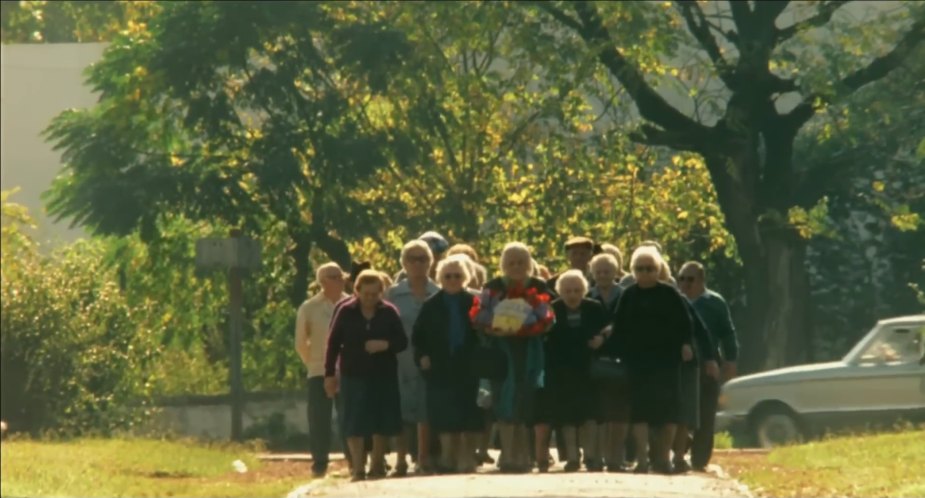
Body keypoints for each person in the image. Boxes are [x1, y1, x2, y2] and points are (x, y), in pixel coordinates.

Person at [471, 242, 554, 473]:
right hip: (500, 352)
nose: (516, 266)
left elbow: (548, 318)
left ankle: (523, 456)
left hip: (529, 352)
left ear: (529, 264)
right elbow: (479, 318)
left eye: (521, 262)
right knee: (503, 400)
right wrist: (493, 328)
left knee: (526, 401)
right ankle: (508, 455)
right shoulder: (492, 287)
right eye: (511, 263)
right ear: (503, 265)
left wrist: (533, 327)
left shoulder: (539, 286)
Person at [612, 246, 694, 475]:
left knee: (668, 411)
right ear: (633, 271)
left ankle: (663, 458)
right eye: (640, 269)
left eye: (650, 268)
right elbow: (619, 326)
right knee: (640, 410)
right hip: (637, 361)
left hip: (666, 361)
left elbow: (685, 323)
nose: (645, 273)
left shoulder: (669, 294)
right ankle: (642, 459)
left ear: (658, 270)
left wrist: (686, 344)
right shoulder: (628, 295)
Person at [324, 270, 408, 482]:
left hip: (383, 374)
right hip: (353, 374)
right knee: (354, 421)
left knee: (381, 419)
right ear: (357, 291)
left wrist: (385, 345)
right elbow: (333, 343)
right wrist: (329, 374)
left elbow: (402, 341)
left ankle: (377, 464)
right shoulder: (345, 311)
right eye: (366, 294)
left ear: (381, 293)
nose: (370, 298)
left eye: (374, 294)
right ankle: (358, 467)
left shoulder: (389, 312)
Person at [412, 256, 484, 474]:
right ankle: (447, 457)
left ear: (465, 277)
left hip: (469, 365)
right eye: (448, 276)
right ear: (440, 278)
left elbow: (485, 332)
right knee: (444, 413)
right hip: (440, 367)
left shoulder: (474, 302)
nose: (453, 280)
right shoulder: (430, 305)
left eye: (457, 276)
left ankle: (467, 458)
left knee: (469, 412)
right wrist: (422, 356)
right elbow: (418, 337)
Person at [534, 270, 608, 472]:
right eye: (567, 291)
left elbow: (607, 328)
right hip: (560, 368)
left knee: (590, 414)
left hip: (588, 367)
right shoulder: (553, 308)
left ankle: (591, 456)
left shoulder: (594, 307)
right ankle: (573, 458)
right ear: (560, 291)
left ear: (584, 290)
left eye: (577, 290)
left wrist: (601, 339)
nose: (572, 295)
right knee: (567, 416)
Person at [658, 261, 719, 473]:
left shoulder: (680, 300)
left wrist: (710, 359)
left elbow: (700, 331)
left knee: (684, 410)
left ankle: (679, 457)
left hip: (682, 363)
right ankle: (657, 456)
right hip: (654, 362)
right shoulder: (634, 297)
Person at [678, 261, 740, 471]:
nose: (685, 284)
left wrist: (731, 360)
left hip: (708, 364)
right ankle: (679, 449)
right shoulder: (676, 301)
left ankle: (699, 460)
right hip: (681, 366)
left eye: (690, 279)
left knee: (705, 413)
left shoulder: (714, 303)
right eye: (681, 279)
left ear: (701, 280)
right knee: (680, 411)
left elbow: (728, 333)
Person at [387, 240, 440, 475]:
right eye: (412, 259)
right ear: (404, 263)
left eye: (423, 259)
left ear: (430, 262)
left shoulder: (438, 293)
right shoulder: (393, 294)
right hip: (399, 359)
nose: (418, 264)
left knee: (426, 409)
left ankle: (423, 458)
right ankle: (401, 459)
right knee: (400, 408)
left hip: (430, 360)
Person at [295, 262, 350, 478]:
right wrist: (313, 363)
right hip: (319, 370)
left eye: (341, 276)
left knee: (349, 415)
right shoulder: (309, 307)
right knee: (319, 418)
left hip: (347, 370)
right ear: (323, 282)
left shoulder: (350, 303)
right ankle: (319, 462)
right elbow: (300, 342)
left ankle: (353, 459)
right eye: (335, 277)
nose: (340, 280)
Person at [587, 253, 632, 472]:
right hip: (593, 360)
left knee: (620, 411)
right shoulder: (587, 297)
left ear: (615, 272)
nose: (603, 275)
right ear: (593, 274)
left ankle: (616, 457)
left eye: (607, 271)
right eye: (598, 272)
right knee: (597, 411)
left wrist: (608, 334)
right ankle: (595, 457)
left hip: (622, 357)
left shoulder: (626, 296)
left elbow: (628, 323)